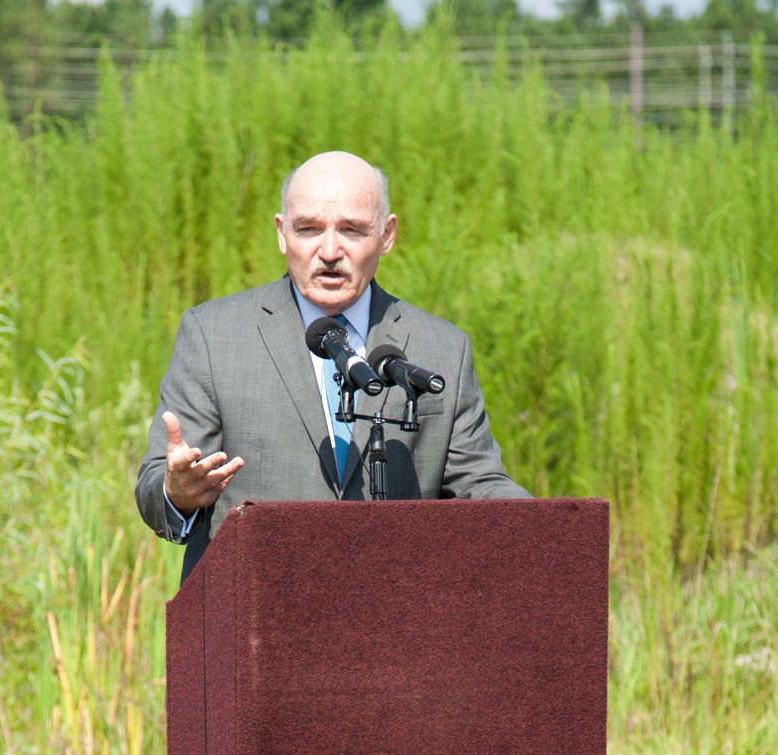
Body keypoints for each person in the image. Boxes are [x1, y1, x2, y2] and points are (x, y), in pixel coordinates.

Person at [135, 151, 530, 579]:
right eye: (308, 229)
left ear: (387, 234)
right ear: (282, 234)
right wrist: (178, 494)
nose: (328, 250)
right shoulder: (213, 336)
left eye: (352, 230)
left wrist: (545, 529)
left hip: (397, 622)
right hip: (253, 622)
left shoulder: (443, 349)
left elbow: (481, 485)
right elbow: (158, 489)